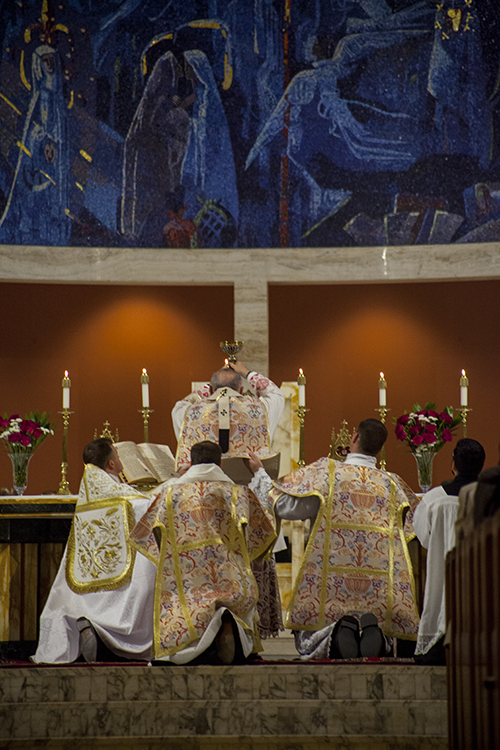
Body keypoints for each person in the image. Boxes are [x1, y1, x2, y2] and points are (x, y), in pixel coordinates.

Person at [249, 418, 420, 659]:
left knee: (321, 626)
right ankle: (375, 634)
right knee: (379, 616)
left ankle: (337, 632)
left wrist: (259, 473)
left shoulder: (325, 473)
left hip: (330, 582)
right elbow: (416, 524)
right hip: (378, 587)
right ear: (379, 449)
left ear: (354, 438)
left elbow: (283, 504)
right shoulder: (393, 484)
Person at [130, 441, 277, 664]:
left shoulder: (169, 494)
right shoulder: (239, 494)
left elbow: (144, 534)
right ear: (220, 463)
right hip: (230, 578)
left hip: (188, 582)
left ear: (190, 463)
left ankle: (196, 646)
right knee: (237, 590)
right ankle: (228, 624)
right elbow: (264, 531)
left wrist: (170, 557)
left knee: (182, 604)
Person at [32, 438, 158, 664]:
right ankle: (108, 631)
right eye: (117, 456)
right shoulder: (121, 493)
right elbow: (144, 507)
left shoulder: (91, 489)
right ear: (110, 464)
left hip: (89, 574)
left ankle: (88, 625)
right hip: (117, 575)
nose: (120, 460)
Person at [413, 438, 485, 664]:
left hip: (443, 571)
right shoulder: (490, 499)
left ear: (453, 464)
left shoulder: (435, 499)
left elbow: (424, 538)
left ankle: (437, 644)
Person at [172, 360, 285, 478]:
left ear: (210, 390)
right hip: (248, 489)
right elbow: (276, 394)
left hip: (206, 486)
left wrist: (211, 385)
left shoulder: (188, 411)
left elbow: (181, 405)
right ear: (241, 390)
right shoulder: (261, 409)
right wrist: (246, 372)